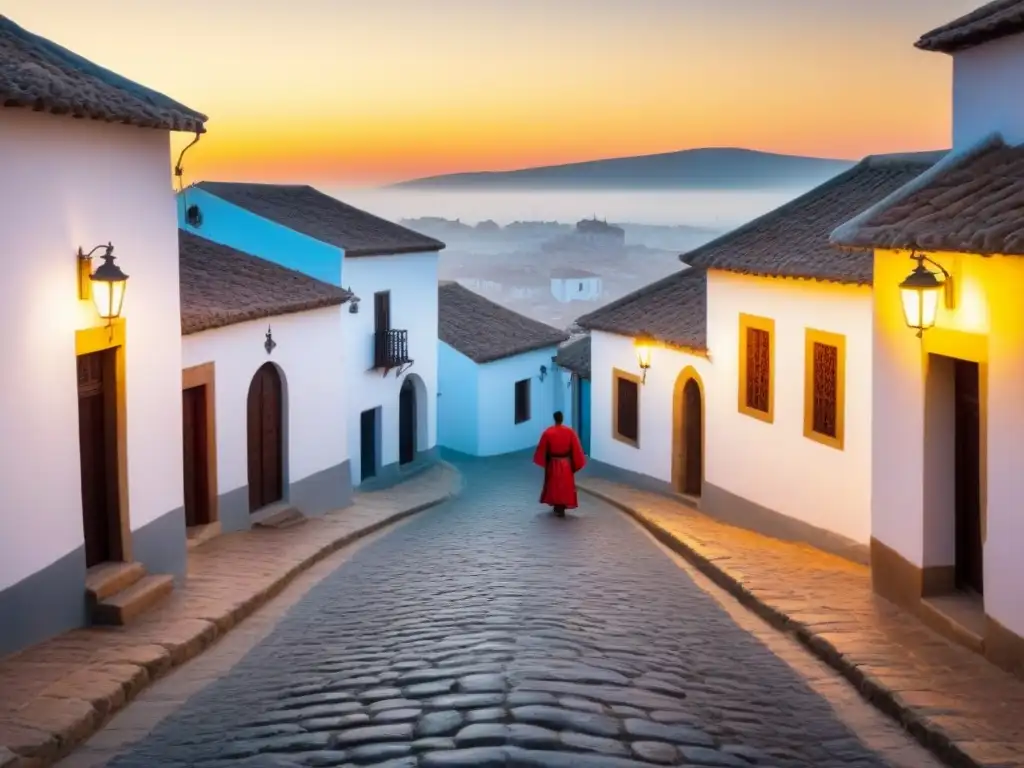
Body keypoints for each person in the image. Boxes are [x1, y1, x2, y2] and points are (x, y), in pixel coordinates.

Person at [532, 411, 587, 517]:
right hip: (566, 463)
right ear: (562, 418)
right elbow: (576, 449)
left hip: (553, 462)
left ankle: (557, 504)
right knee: (565, 485)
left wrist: (546, 461)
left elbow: (543, 449)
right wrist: (574, 462)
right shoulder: (570, 432)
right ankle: (562, 505)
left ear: (554, 419)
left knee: (554, 485)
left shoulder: (548, 432)